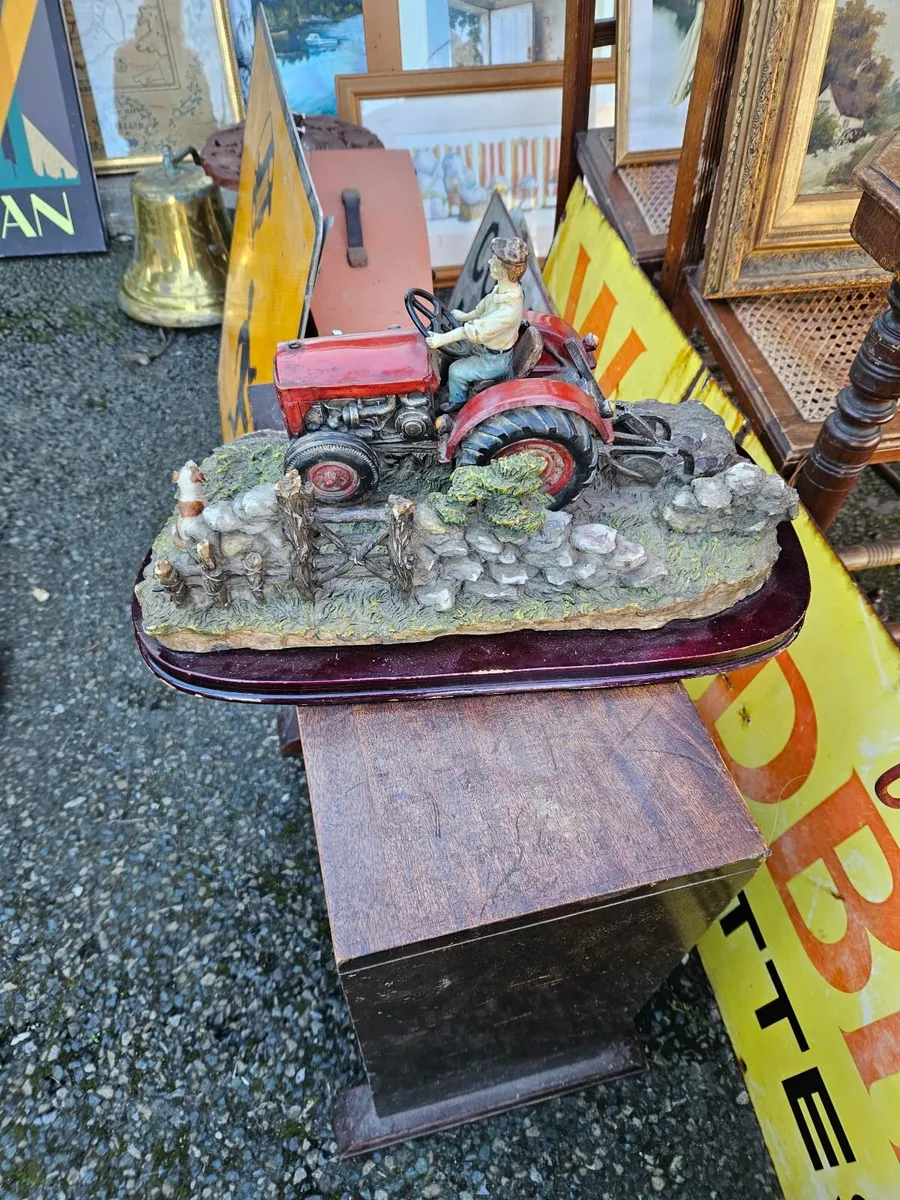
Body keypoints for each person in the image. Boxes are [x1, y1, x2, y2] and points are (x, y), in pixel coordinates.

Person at [425, 236, 528, 411]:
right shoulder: (502, 291)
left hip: (494, 360)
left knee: (457, 371)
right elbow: (481, 311)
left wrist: (440, 340)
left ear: (504, 270)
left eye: (494, 261)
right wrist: (465, 316)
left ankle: (457, 404)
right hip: (482, 347)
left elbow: (473, 331)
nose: (489, 262)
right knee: (450, 353)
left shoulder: (508, 311)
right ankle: (439, 386)